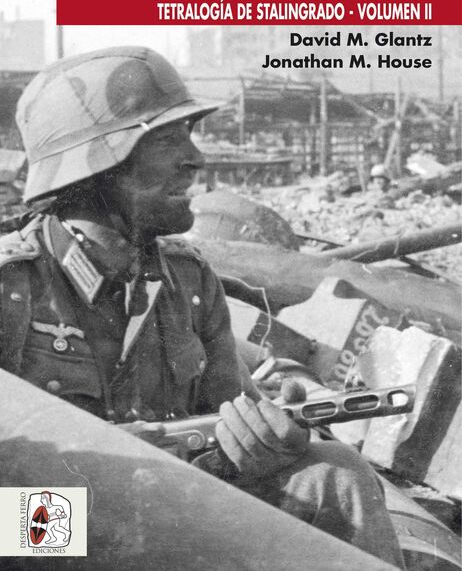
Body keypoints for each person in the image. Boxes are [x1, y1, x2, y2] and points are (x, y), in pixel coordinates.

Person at [0, 46, 403, 568]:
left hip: (164, 513)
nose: (195, 159)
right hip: (48, 535)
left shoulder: (186, 280)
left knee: (335, 475)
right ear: (96, 166)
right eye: (167, 140)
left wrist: (257, 449)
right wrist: (109, 490)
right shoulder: (13, 286)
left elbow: (227, 424)